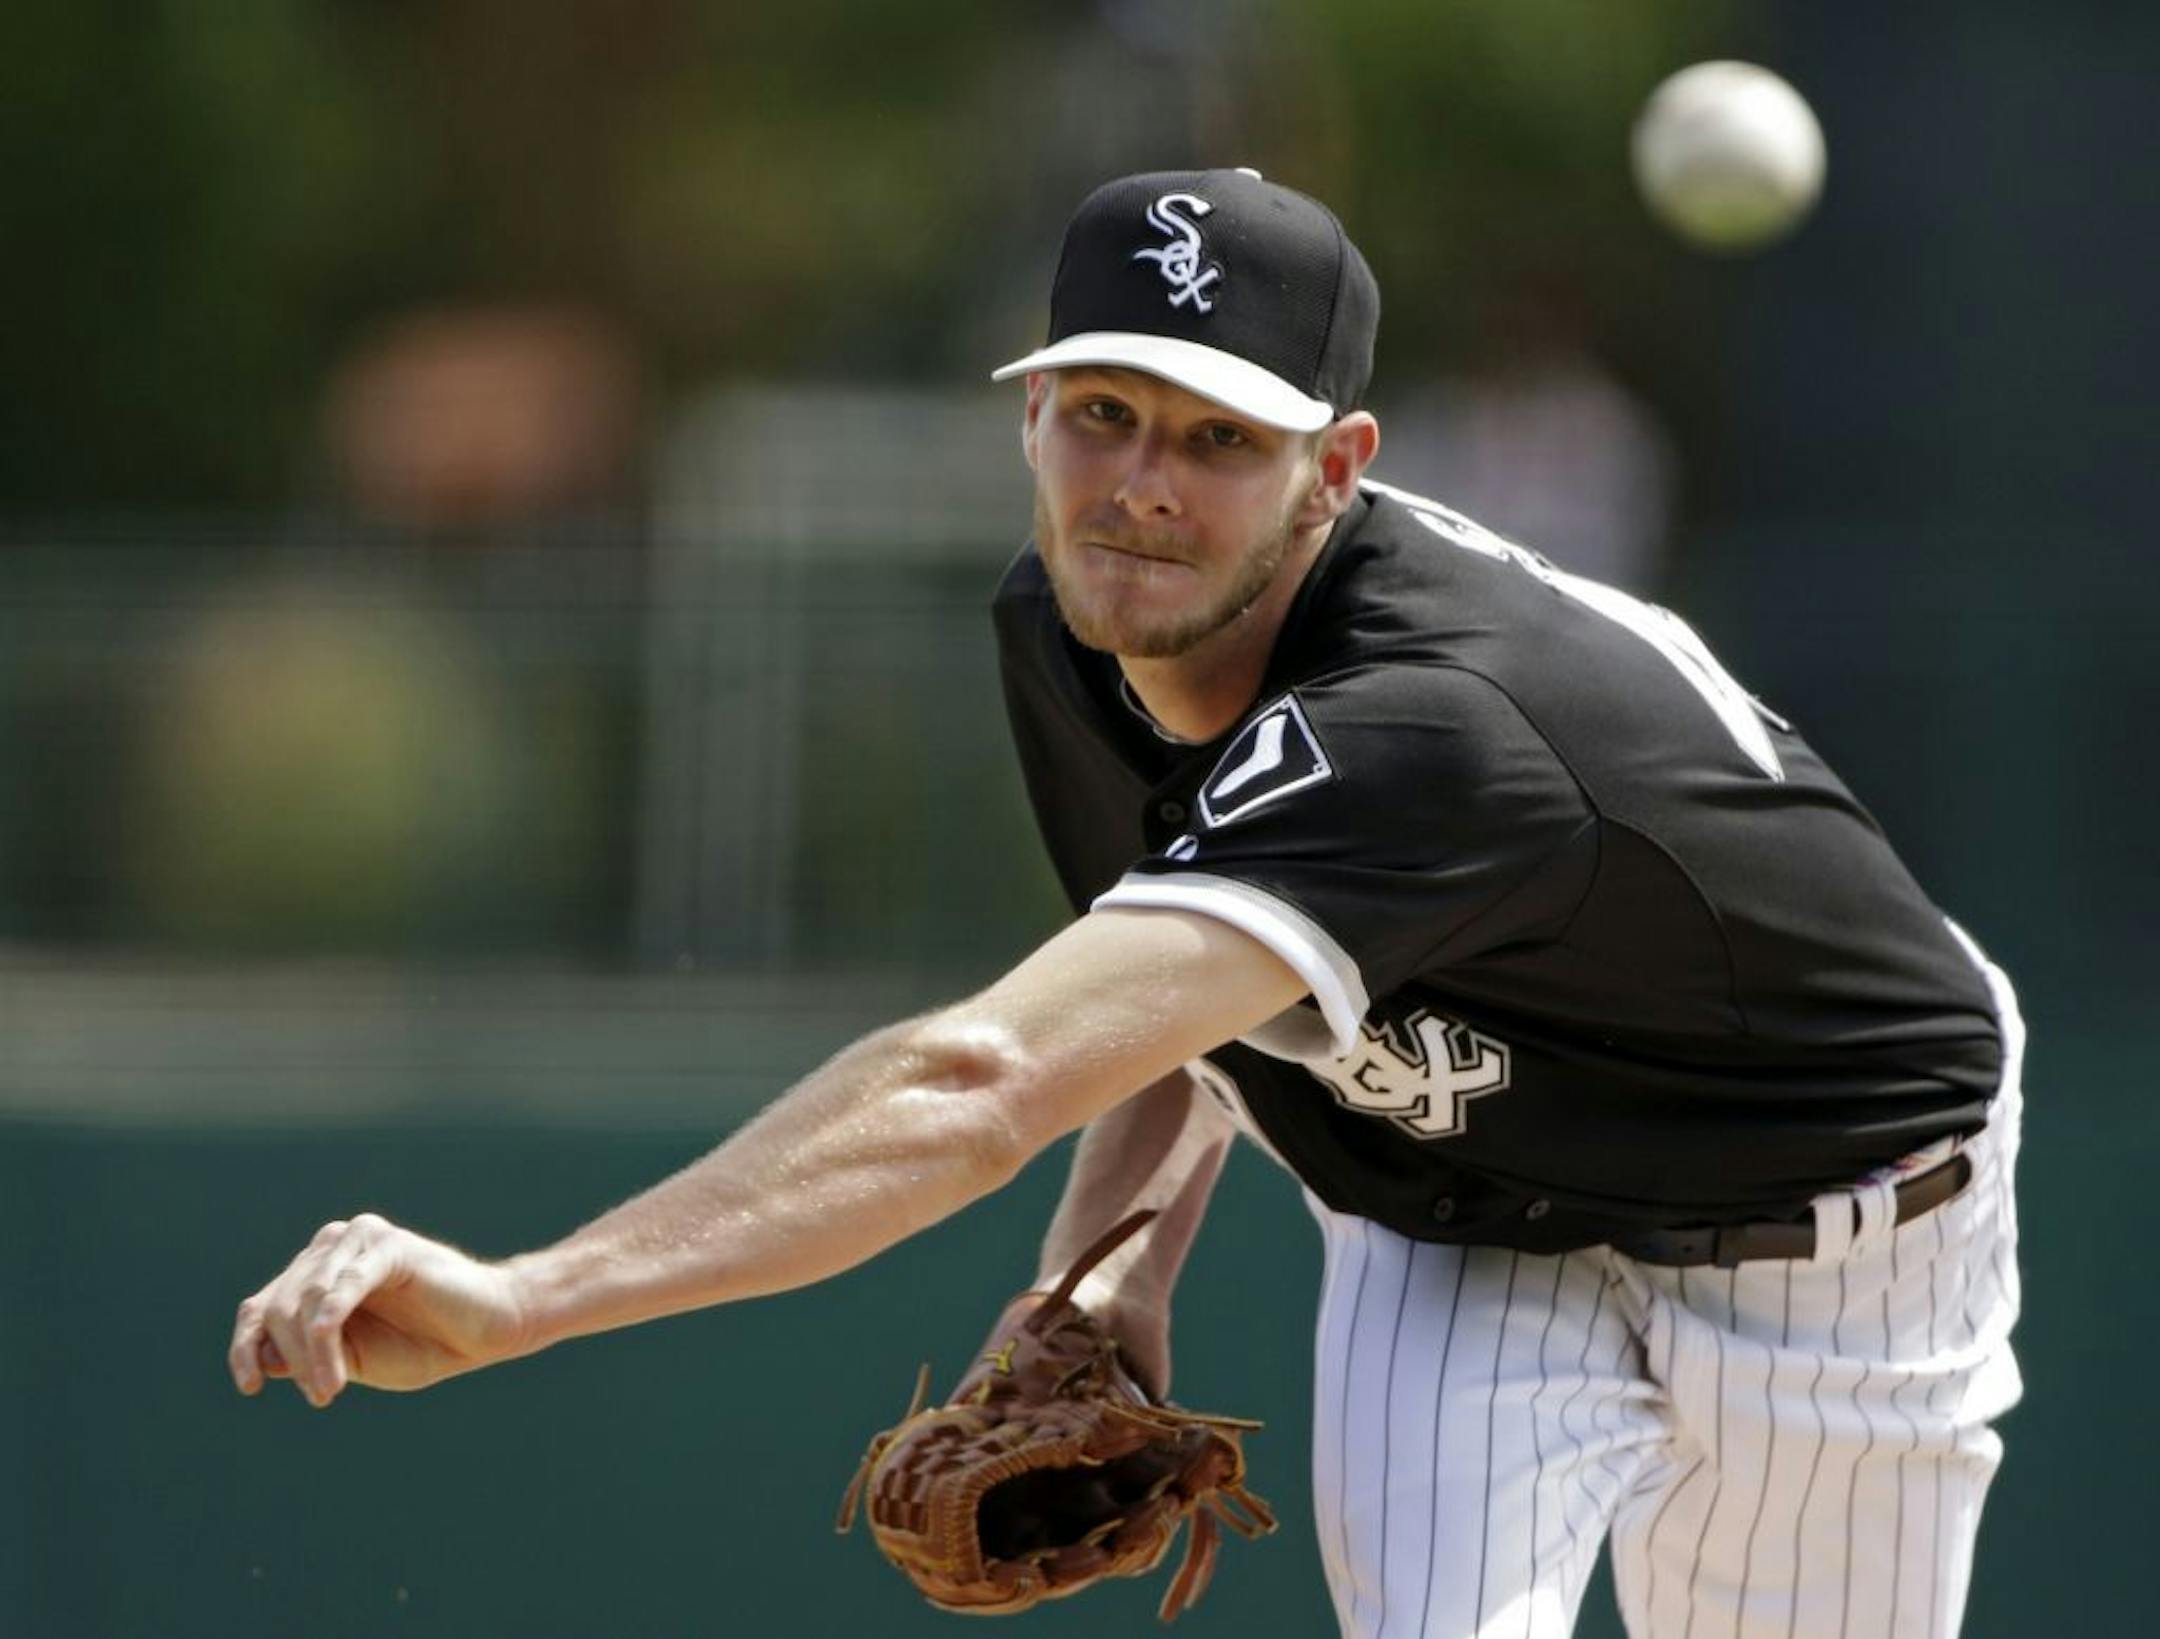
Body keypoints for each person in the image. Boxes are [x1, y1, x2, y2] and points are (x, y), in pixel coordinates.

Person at [229, 169, 2023, 1639]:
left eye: (1219, 437)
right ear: (1030, 417)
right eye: (1103, 413)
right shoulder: (1078, 630)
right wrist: (1107, 1274)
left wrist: (527, 1297)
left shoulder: (1440, 725)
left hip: (1826, 1224)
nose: (1143, 486)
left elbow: (979, 1083)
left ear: (1336, 469)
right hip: (1467, 1212)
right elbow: (1174, 993)